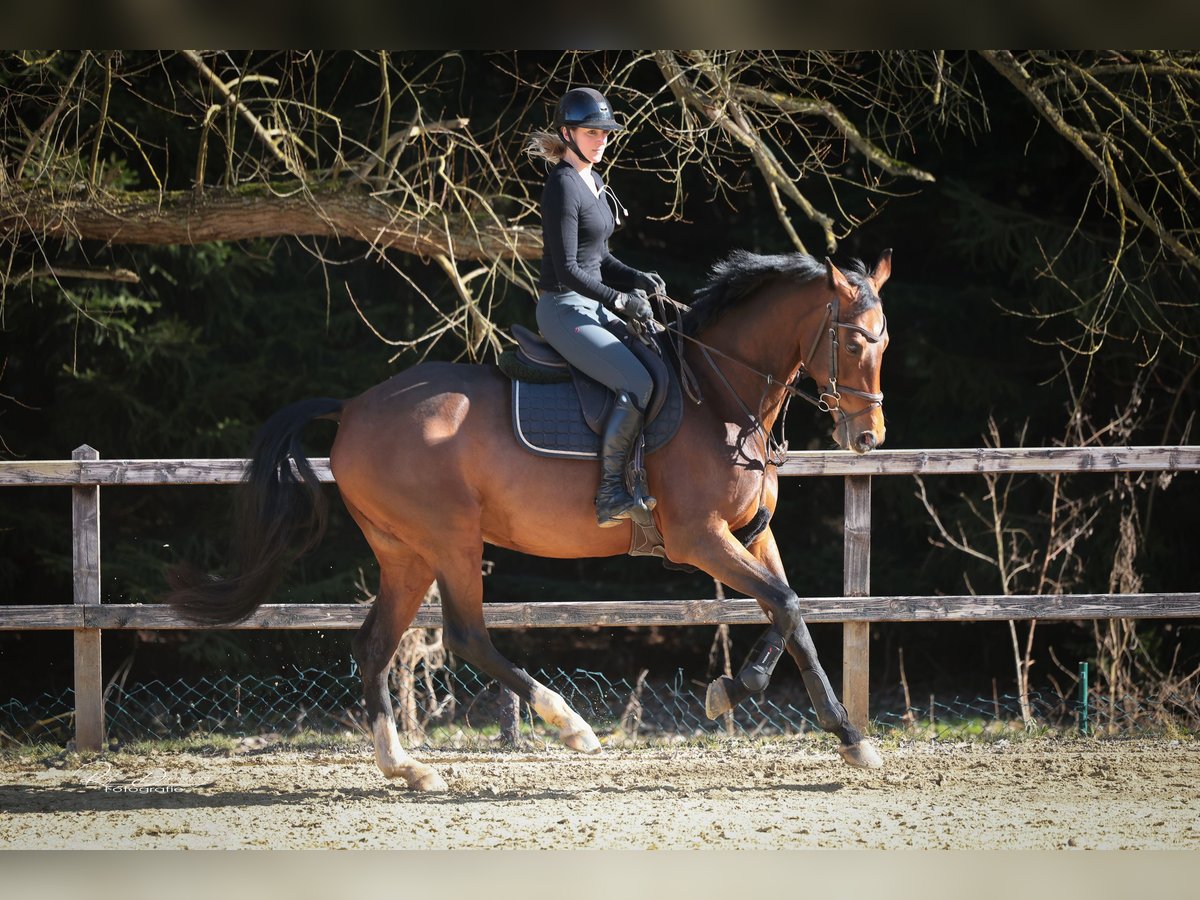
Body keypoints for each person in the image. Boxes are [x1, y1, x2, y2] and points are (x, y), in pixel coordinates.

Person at [526, 87, 667, 528]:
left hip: (593, 304)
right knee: (638, 383)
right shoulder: (563, 187)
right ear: (566, 133)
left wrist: (634, 278)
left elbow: (599, 258)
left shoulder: (593, 180)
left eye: (605, 132)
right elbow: (568, 270)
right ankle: (609, 494)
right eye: (591, 132)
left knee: (662, 362)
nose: (601, 139)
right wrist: (620, 299)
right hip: (564, 309)